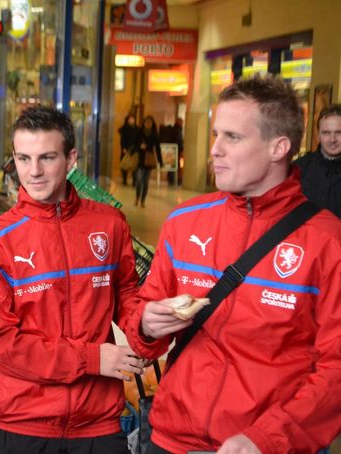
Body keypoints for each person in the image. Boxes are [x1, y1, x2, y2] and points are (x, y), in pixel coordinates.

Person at [126, 76, 341, 453]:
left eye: (233, 137)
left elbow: (336, 370)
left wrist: (268, 438)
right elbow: (142, 330)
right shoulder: (184, 222)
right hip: (171, 438)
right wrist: (146, 325)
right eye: (215, 134)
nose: (215, 150)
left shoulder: (327, 242)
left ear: (279, 147)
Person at [0, 105, 143, 454]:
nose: (33, 172)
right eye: (23, 158)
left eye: (47, 157)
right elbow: (1, 346)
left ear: (71, 158)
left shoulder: (109, 224)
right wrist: (92, 359)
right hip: (24, 424)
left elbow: (128, 295)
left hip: (99, 423)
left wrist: (146, 330)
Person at [294, 104, 341, 217]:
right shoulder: (299, 169)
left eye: (339, 132)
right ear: (318, 135)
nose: (332, 139)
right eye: (326, 133)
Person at [133, 115, 161, 207]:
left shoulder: (154, 134)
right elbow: (134, 145)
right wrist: (139, 147)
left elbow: (157, 148)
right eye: (147, 122)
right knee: (139, 180)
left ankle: (143, 200)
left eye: (150, 123)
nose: (148, 124)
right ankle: (137, 197)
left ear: (152, 124)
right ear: (144, 123)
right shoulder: (139, 132)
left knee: (145, 181)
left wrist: (160, 161)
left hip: (149, 160)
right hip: (140, 159)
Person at [118, 114, 137, 186]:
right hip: (126, 148)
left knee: (134, 164)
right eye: (130, 119)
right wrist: (123, 148)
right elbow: (122, 140)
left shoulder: (136, 128)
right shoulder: (124, 129)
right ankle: (124, 179)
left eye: (133, 119)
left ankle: (134, 180)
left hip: (134, 149)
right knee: (125, 164)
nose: (132, 120)